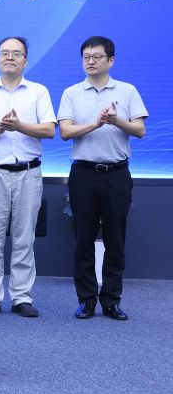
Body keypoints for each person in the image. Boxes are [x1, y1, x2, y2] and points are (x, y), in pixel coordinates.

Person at [58, 36, 147, 321]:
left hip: (117, 173)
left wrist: (116, 120)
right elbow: (65, 132)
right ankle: (86, 300)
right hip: (83, 173)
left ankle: (111, 300)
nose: (91, 62)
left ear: (111, 60)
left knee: (115, 240)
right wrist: (96, 124)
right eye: (86, 57)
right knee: (83, 238)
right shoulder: (72, 92)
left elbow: (140, 130)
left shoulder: (127, 90)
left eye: (97, 57)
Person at [0, 37, 56, 319]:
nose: (10, 57)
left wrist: (19, 125)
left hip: (29, 173)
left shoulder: (38, 92)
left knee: (24, 239)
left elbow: (49, 130)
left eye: (16, 53)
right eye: (5, 53)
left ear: (25, 61)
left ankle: (21, 297)